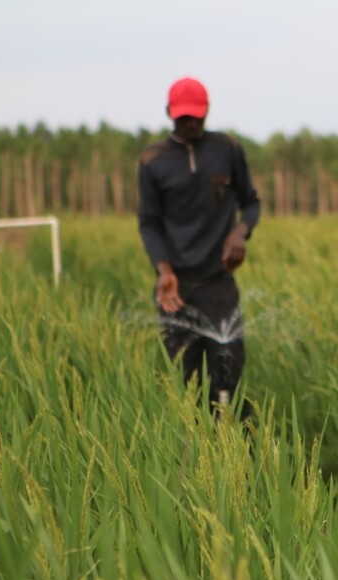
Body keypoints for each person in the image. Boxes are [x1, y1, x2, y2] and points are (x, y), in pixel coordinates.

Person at [138, 77, 260, 417]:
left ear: (206, 112)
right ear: (168, 113)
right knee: (187, 391)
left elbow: (251, 203)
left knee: (229, 386)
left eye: (196, 116)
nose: (190, 123)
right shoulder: (153, 161)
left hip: (218, 286)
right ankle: (194, 463)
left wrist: (240, 232)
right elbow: (148, 222)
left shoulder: (228, 149)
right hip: (175, 290)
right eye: (182, 117)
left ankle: (244, 460)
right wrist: (164, 270)